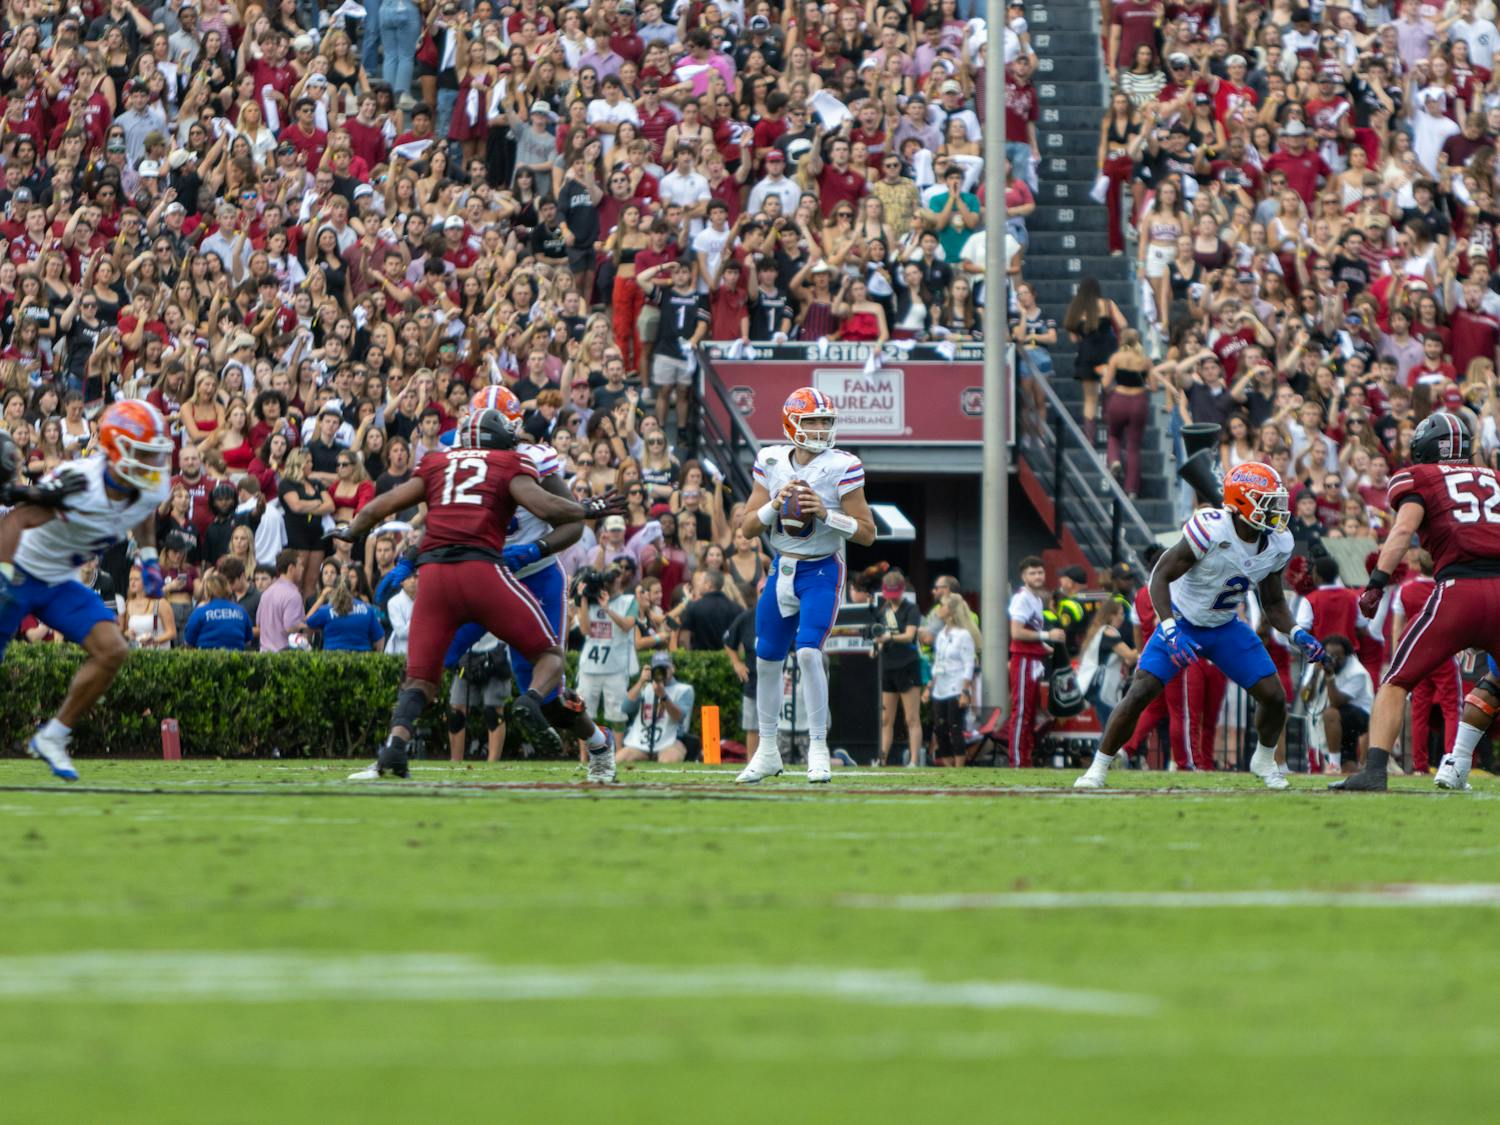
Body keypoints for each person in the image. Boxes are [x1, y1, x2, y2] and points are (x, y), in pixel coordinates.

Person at [334, 409, 625, 782]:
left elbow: (386, 506)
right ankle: (533, 706)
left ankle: (394, 748)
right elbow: (548, 508)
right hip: (488, 573)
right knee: (544, 664)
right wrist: (587, 508)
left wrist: (351, 533)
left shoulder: (440, 462)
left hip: (514, 575)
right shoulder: (510, 462)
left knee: (420, 676)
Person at [1074, 462, 1324, 790]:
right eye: (1268, 502)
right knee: (1141, 690)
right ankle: (1099, 767)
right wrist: (1169, 628)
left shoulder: (1279, 543)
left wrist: (1295, 632)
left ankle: (1264, 761)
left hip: (1224, 626)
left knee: (1274, 697)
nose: (1277, 510)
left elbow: (1273, 601)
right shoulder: (1211, 529)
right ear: (1244, 503)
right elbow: (1159, 577)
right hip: (1183, 620)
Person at [0, 401, 172, 780]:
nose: (152, 462)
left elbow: (142, 511)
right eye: (143, 452)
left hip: (61, 580)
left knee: (112, 649)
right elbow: (15, 521)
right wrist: (4, 573)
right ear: (116, 449)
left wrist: (148, 557)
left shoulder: (146, 484)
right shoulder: (80, 484)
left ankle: (53, 736)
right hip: (20, 571)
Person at [1336, 413, 1500, 791]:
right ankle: (1457, 763)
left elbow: (1404, 529)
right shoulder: (1492, 476)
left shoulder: (1420, 477)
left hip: (1460, 590)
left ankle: (1375, 771)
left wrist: (1377, 582)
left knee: (1397, 680)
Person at [734, 388, 877, 784]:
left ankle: (818, 747)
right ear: (791, 423)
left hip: (821, 570)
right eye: (811, 421)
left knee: (810, 652)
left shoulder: (842, 466)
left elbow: (867, 533)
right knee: (765, 658)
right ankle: (767, 750)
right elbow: (746, 528)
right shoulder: (772, 460)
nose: (819, 429)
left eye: (824, 422)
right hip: (782, 568)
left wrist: (826, 514)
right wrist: (775, 504)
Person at [574, 563, 638, 741]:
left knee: (617, 713)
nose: (613, 580)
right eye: (609, 576)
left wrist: (607, 609)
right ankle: (584, 756)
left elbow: (627, 626)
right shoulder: (590, 600)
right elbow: (585, 630)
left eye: (616, 575)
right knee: (584, 711)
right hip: (590, 666)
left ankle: (618, 752)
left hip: (616, 667)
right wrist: (583, 599)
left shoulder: (629, 601)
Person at [1007, 556, 1059, 769]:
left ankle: (1025, 759)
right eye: (1032, 573)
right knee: (1021, 712)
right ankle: (1017, 761)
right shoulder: (1022, 598)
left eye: (1040, 572)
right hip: (1023, 660)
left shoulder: (1036, 599)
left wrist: (1046, 647)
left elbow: (1030, 633)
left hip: (1033, 660)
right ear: (1023, 576)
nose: (1037, 576)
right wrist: (1047, 636)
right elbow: (1016, 632)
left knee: (1030, 712)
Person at [873, 569, 924, 766]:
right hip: (887, 666)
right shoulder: (883, 611)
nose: (892, 598)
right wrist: (877, 645)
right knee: (886, 718)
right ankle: (882, 758)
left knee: (911, 718)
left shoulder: (911, 609)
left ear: (902, 590)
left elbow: (910, 635)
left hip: (907, 665)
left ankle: (913, 760)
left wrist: (889, 638)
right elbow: (878, 635)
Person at [925, 592, 980, 768]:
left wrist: (965, 691)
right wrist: (929, 686)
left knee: (955, 727)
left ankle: (959, 766)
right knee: (939, 728)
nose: (939, 609)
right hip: (940, 686)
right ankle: (949, 765)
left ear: (951, 610)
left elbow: (968, 664)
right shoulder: (941, 634)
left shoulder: (963, 635)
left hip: (956, 686)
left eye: (943, 605)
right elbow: (938, 661)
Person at [617, 651, 696, 763]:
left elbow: (679, 716)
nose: (661, 672)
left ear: (673, 668)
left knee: (669, 760)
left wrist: (663, 696)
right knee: (620, 759)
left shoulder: (684, 690)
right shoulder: (645, 687)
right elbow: (625, 708)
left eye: (665, 668)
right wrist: (641, 682)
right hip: (641, 743)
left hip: (670, 741)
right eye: (658, 669)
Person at [1309, 634, 1373, 770]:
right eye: (1329, 655)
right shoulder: (1319, 663)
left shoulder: (1357, 672)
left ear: (1347, 656)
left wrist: (1330, 676)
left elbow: (1336, 702)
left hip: (1361, 717)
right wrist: (1314, 674)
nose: (1333, 659)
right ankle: (1346, 771)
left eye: (1338, 656)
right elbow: (1305, 697)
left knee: (1330, 714)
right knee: (1348, 765)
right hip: (1340, 720)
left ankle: (1333, 766)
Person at [447, 635, 511, 763]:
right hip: (466, 655)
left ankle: (492, 763)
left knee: (493, 711)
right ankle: (455, 761)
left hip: (497, 651)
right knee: (456, 713)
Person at [305, 579, 384, 652]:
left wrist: (322, 597)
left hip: (332, 659)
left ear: (333, 591)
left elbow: (307, 621)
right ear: (351, 590)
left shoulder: (325, 610)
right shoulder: (367, 609)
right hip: (362, 660)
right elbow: (380, 638)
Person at [183, 572, 254, 651]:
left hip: (207, 658)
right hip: (236, 658)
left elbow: (188, 641)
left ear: (207, 591)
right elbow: (248, 640)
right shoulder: (241, 611)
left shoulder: (200, 612)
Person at [257, 550, 308, 652]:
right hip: (283, 657)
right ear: (291, 568)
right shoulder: (293, 595)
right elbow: (290, 627)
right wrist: (308, 625)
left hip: (263, 654)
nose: (303, 569)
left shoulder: (266, 593)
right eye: (300, 565)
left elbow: (258, 624)